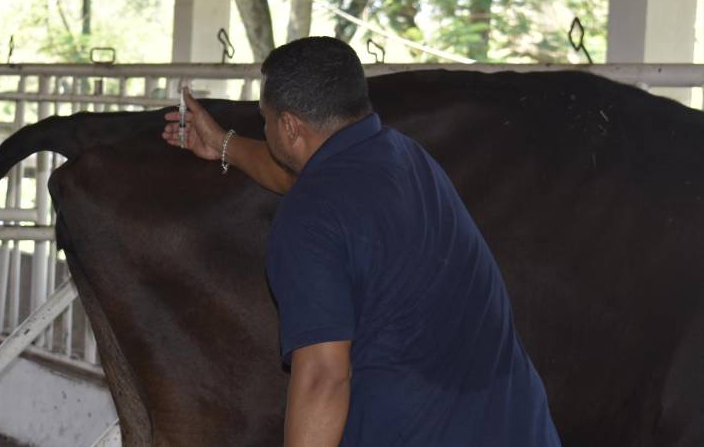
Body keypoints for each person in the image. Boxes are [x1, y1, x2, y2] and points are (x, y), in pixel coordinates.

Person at [163, 36, 560, 446]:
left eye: (265, 118)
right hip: (520, 426)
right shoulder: (405, 157)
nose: (264, 128)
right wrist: (223, 143)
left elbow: (323, 379)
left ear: (289, 125)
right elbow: (298, 170)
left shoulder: (308, 220)